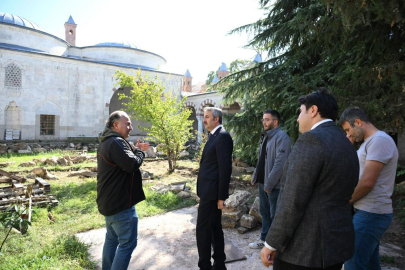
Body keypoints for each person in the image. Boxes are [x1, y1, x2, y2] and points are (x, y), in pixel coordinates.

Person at [260, 88, 359, 269]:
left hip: (304, 252)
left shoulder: (311, 140)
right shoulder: (346, 143)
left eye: (300, 112)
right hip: (336, 246)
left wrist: (271, 243)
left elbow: (292, 199)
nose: (298, 118)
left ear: (313, 110)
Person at [340, 107, 399, 270]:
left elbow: (367, 182)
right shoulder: (369, 142)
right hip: (367, 213)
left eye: (348, 129)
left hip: (371, 213)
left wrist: (346, 202)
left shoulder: (380, 140)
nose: (348, 134)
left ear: (358, 122)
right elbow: (355, 171)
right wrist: (348, 146)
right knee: (370, 265)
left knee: (352, 264)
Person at [97, 110, 149, 270]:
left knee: (112, 240)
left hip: (109, 203)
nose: (131, 127)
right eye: (127, 124)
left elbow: (123, 161)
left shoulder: (107, 141)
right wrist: (140, 152)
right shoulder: (115, 142)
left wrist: (134, 150)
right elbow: (132, 165)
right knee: (127, 243)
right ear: (115, 125)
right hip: (121, 206)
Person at [196, 107, 233, 270]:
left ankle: (205, 265)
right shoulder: (214, 135)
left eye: (207, 117)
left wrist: (221, 197)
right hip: (208, 191)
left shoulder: (223, 137)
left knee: (203, 230)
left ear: (216, 119)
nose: (204, 120)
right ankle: (219, 263)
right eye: (204, 117)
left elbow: (225, 169)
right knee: (214, 228)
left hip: (212, 194)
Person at [249, 109, 291, 249]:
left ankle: (275, 245)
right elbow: (261, 158)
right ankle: (264, 239)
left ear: (275, 121)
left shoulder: (282, 137)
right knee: (264, 213)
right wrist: (255, 175)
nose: (264, 122)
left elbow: (280, 164)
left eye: (267, 119)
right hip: (263, 182)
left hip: (274, 186)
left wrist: (270, 184)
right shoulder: (266, 136)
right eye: (263, 119)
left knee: (275, 216)